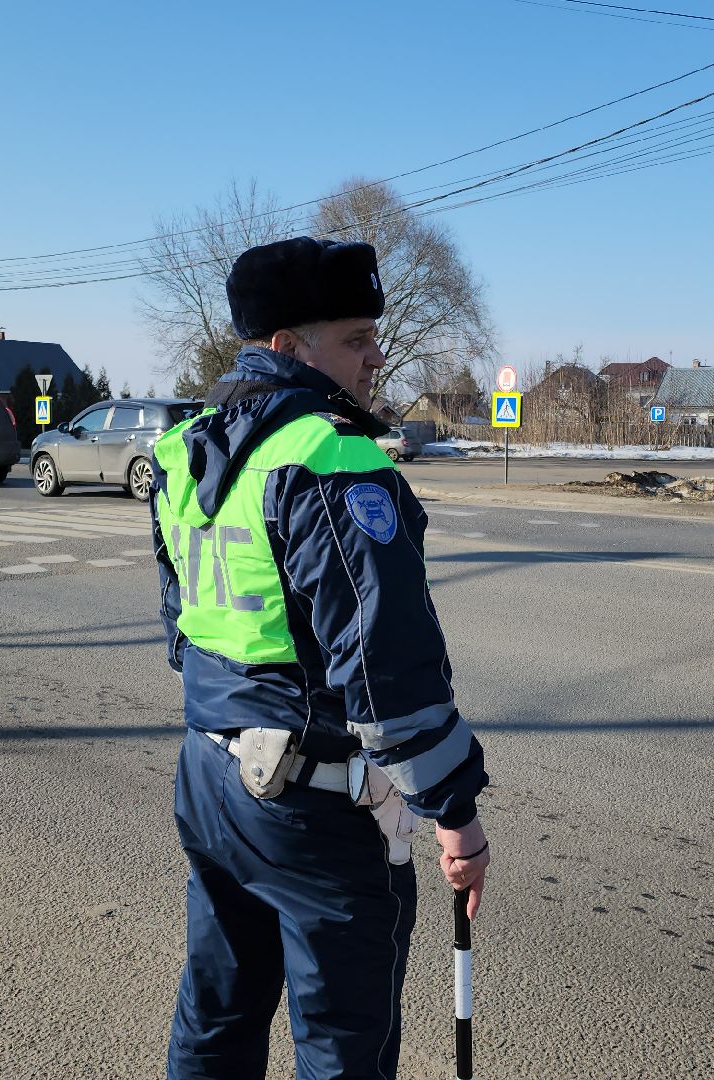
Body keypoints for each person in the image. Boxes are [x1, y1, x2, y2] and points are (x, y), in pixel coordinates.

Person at [150, 236, 491, 1080]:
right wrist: (455, 816)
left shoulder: (188, 450)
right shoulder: (331, 456)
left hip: (211, 776)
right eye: (354, 338)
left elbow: (181, 631)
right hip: (311, 808)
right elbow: (387, 670)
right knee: (342, 1047)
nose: (377, 356)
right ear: (288, 347)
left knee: (217, 1017)